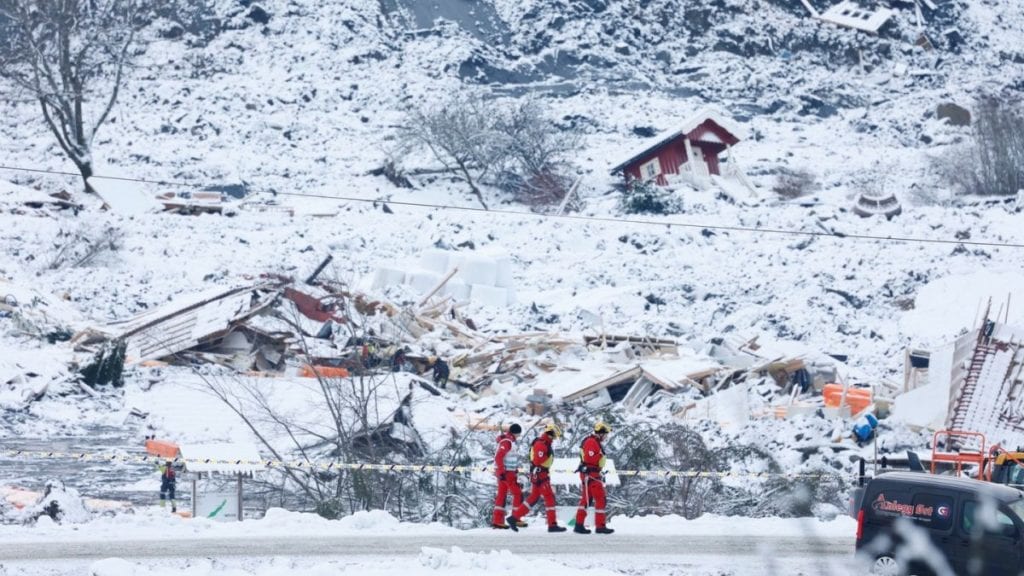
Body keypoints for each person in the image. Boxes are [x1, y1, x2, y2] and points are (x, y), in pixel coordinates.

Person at [507, 423, 567, 533]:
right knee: (549, 497)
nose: (554, 439)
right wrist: (545, 462)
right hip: (540, 475)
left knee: (533, 498)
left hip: (539, 474)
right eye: (554, 436)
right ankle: (552, 524)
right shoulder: (541, 444)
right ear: (550, 434)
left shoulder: (544, 443)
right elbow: (538, 461)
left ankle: (514, 518)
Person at [574, 422, 614, 534]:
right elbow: (591, 458)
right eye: (605, 434)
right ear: (600, 433)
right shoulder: (591, 442)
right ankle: (600, 526)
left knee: (587, 500)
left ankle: (579, 525)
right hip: (591, 474)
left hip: (592, 474)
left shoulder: (594, 441)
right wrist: (601, 456)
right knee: (600, 499)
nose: (606, 437)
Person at [492, 423, 525, 529]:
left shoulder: (507, 441)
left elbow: (508, 458)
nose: (519, 436)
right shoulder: (507, 442)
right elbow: (499, 457)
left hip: (506, 472)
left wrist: (514, 471)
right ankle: (515, 519)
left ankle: (497, 521)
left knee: (502, 495)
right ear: (516, 433)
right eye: (519, 434)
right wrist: (502, 472)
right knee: (518, 493)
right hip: (506, 473)